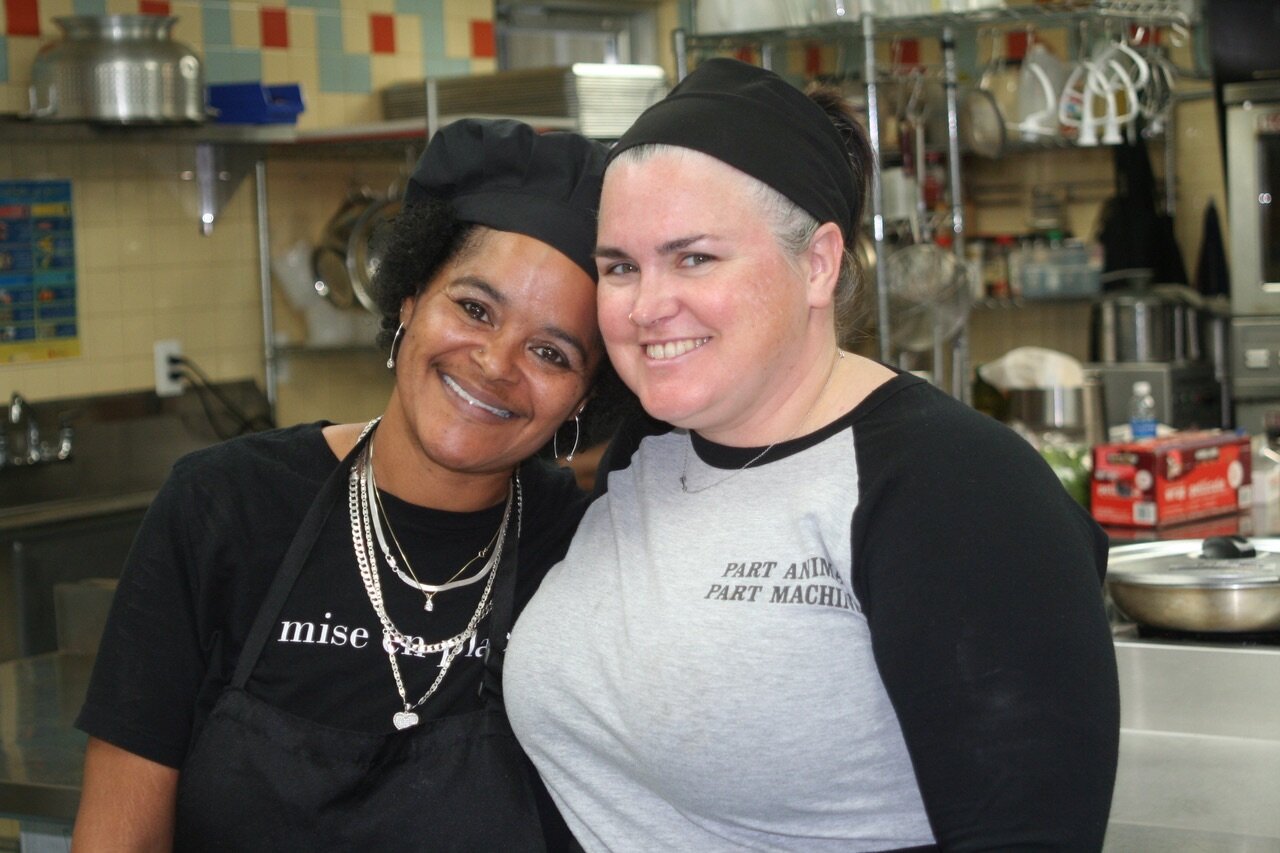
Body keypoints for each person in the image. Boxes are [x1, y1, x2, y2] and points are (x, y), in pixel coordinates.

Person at [505, 58, 1120, 851]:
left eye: (694, 257)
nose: (648, 306)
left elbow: (1031, 831)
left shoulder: (956, 489)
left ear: (820, 263)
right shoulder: (651, 450)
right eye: (621, 266)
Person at [72, 118, 608, 851]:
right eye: (474, 308)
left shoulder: (587, 554)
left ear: (581, 396)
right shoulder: (222, 506)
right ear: (412, 298)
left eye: (550, 351)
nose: (494, 361)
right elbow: (116, 838)